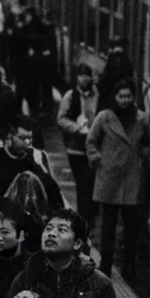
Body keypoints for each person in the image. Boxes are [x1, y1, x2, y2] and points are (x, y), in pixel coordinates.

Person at [86, 78, 150, 279]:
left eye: (128, 96)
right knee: (108, 225)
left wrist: (144, 158)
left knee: (131, 226)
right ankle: (106, 264)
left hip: (132, 178)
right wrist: (97, 158)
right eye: (121, 96)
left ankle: (129, 265)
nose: (125, 100)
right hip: (109, 177)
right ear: (115, 97)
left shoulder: (141, 118)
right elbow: (91, 141)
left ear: (133, 97)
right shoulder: (104, 117)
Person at [57, 64, 101, 233]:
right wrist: (76, 127)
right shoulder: (70, 96)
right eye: (81, 75)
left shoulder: (98, 95)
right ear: (76, 78)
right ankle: (84, 219)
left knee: (93, 182)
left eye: (87, 75)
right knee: (82, 184)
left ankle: (91, 215)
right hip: (75, 148)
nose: (84, 79)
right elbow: (61, 119)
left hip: (95, 148)